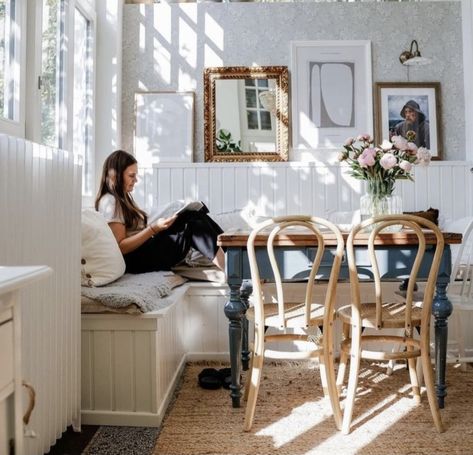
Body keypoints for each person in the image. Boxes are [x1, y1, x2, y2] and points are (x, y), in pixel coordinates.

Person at [95, 150, 225, 273]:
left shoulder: (122, 198)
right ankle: (231, 270)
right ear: (115, 175)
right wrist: (154, 228)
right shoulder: (110, 202)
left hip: (143, 251)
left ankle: (233, 258)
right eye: (131, 176)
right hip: (135, 260)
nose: (136, 180)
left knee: (193, 214)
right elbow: (121, 247)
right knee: (192, 223)